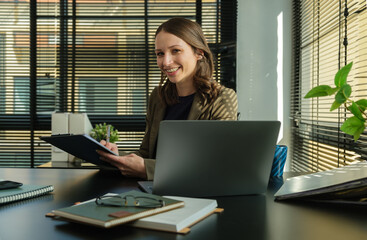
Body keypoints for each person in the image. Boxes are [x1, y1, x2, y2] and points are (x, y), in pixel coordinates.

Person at [97, 17, 238, 180]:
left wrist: (147, 169)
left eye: (175, 51)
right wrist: (117, 157)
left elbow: (212, 163)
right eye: (160, 53)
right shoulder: (158, 96)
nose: (166, 62)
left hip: (195, 194)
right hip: (152, 190)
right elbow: (147, 153)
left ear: (198, 52)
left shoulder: (222, 98)